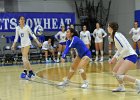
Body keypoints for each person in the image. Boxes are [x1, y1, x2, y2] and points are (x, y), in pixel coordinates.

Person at [108, 22, 140, 93]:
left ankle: (138, 82)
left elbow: (125, 48)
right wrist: (114, 57)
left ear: (111, 28)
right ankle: (121, 87)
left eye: (108, 27)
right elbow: (120, 49)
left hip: (131, 56)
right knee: (115, 71)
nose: (107, 28)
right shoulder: (116, 35)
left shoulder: (117, 36)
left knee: (119, 75)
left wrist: (117, 58)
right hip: (126, 56)